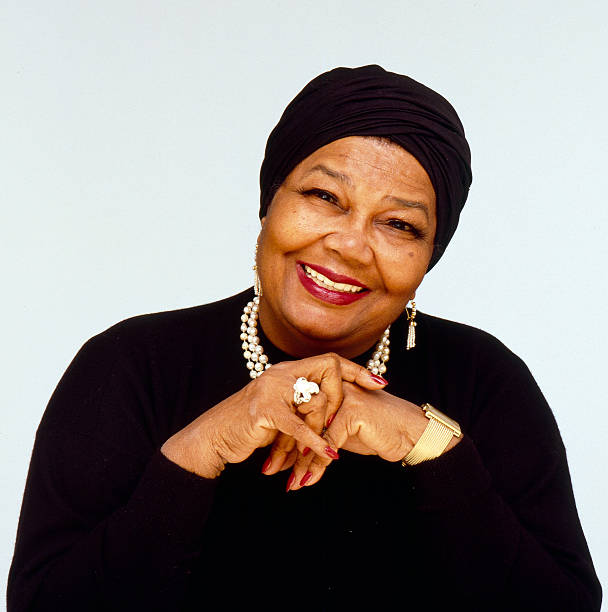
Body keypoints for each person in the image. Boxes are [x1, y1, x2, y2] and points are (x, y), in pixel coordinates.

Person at [8, 65, 601, 611]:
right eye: (323, 197)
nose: (349, 245)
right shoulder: (131, 365)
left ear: (429, 258)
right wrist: (201, 448)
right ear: (270, 203)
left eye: (399, 224)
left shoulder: (484, 380)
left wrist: (427, 445)